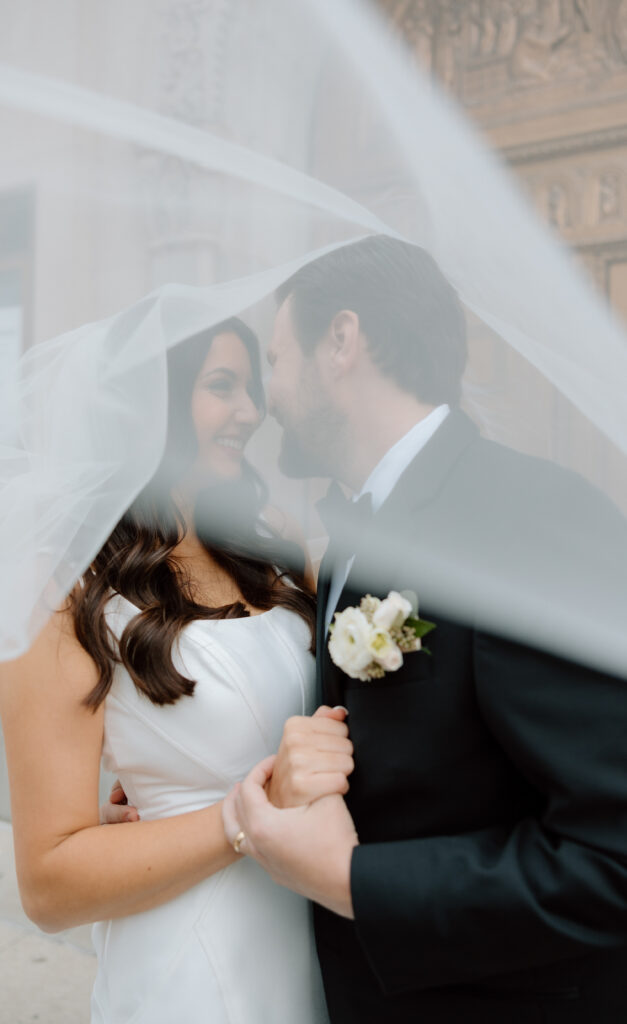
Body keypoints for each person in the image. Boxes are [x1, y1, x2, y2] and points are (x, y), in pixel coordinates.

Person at [222, 236, 627, 1023]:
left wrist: (350, 880)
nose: (267, 396)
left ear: (341, 341)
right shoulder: (350, 532)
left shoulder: (532, 516)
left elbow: (611, 852)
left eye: (275, 359)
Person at [0, 317, 353, 1024]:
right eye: (221, 386)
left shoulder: (274, 543)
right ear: (145, 406)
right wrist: (242, 815)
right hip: (191, 969)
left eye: (251, 387)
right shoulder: (66, 596)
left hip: (322, 938)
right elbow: (47, 884)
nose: (250, 412)